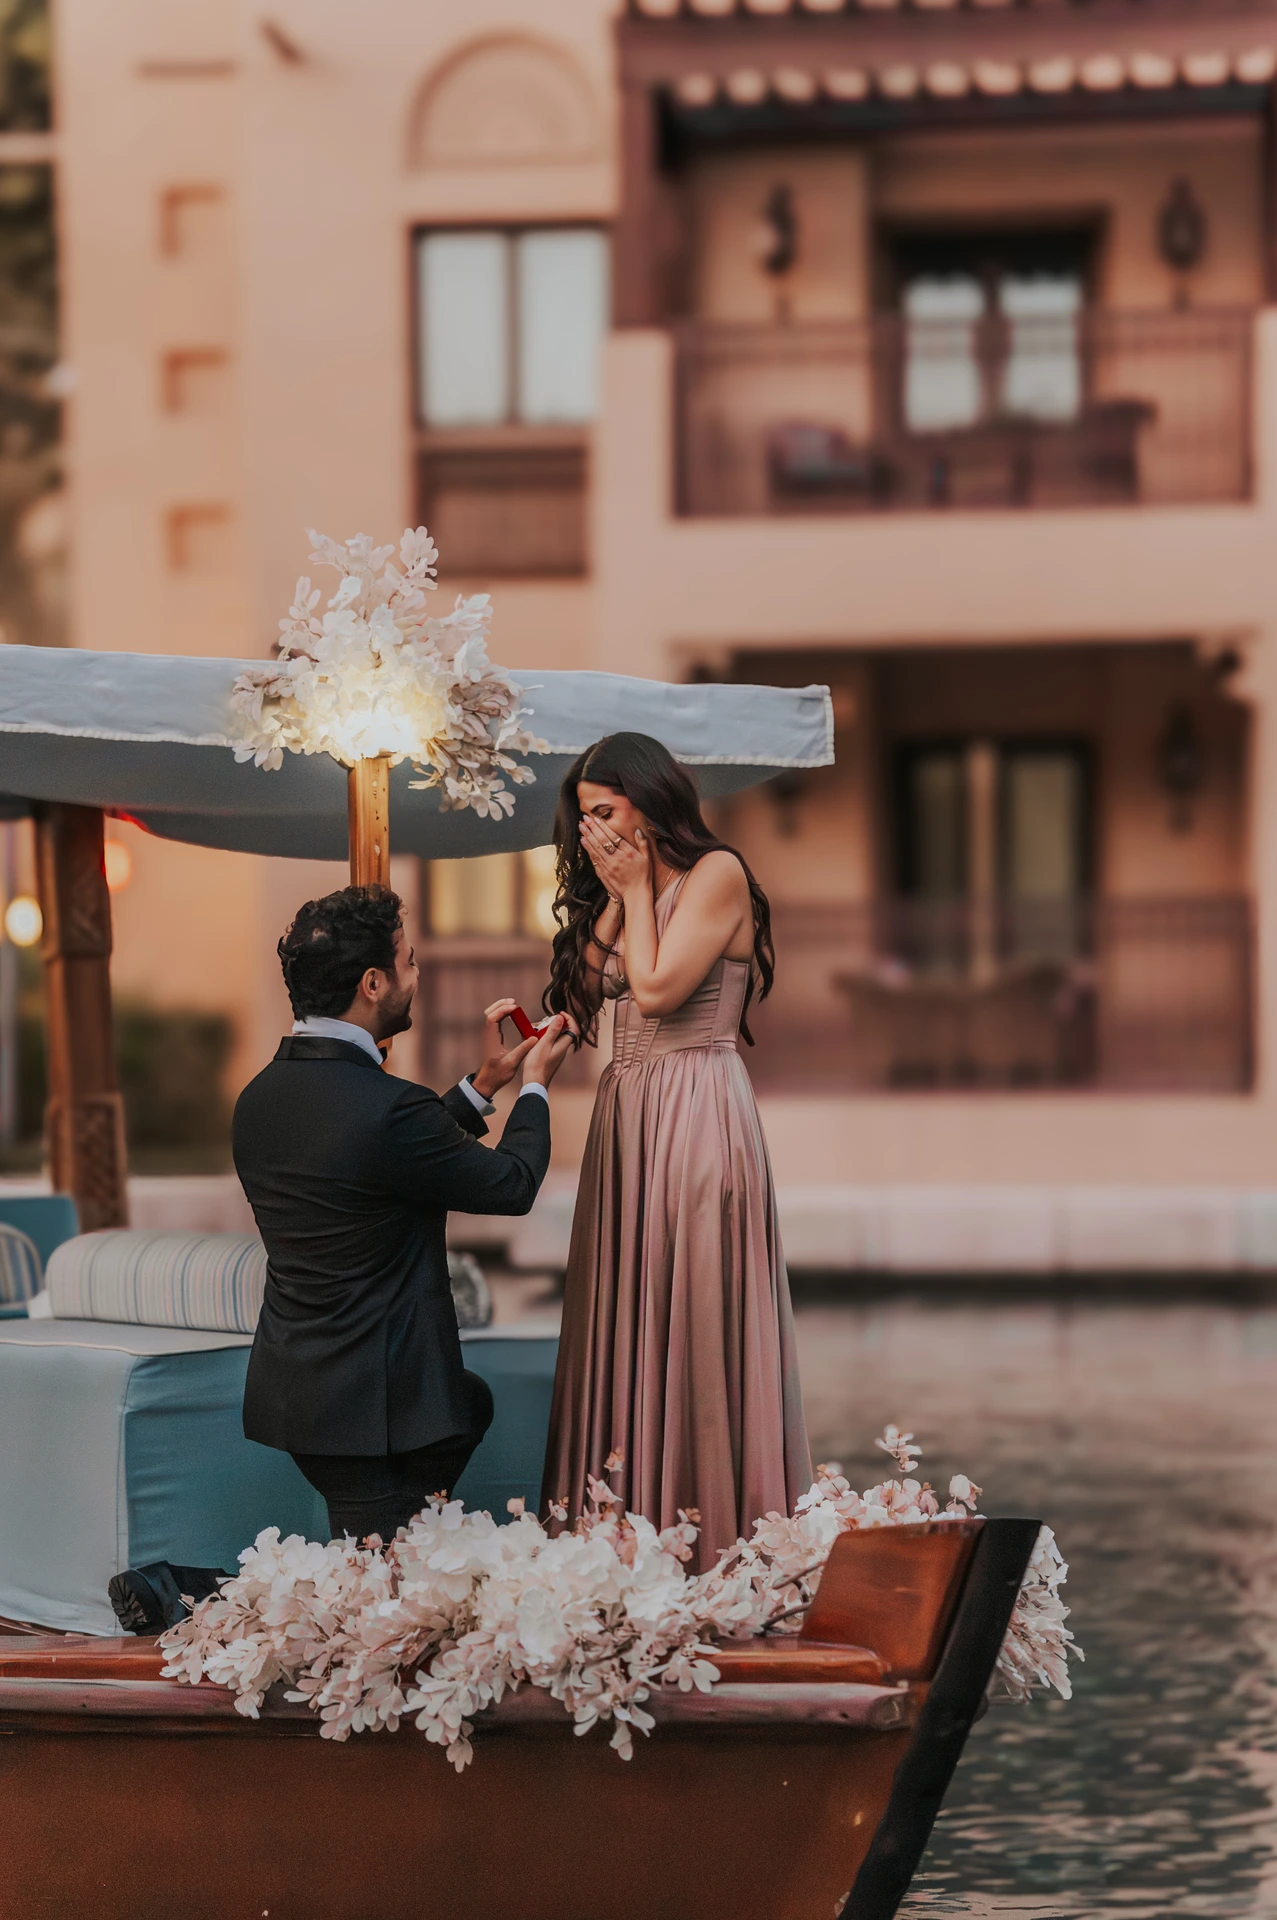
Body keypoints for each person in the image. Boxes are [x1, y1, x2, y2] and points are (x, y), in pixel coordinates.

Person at [234, 883, 577, 1545]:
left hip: (301, 1396)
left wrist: (482, 1088)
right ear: (372, 982)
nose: (416, 977)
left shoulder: (261, 1097)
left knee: (463, 1411)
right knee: (378, 1593)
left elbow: (364, 1161)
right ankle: (186, 1593)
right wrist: (536, 1085)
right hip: (377, 1408)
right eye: (409, 961)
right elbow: (510, 1185)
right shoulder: (389, 1107)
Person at [539, 733, 810, 1571]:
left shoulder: (717, 874)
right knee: (622, 1309)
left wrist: (631, 890)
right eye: (584, 817)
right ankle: (614, 1546)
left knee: (689, 1308)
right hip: (627, 1115)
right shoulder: (630, 890)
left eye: (606, 811)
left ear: (650, 802)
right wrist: (619, 899)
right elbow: (587, 996)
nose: (594, 831)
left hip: (694, 1107)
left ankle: (713, 1545)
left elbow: (655, 991)